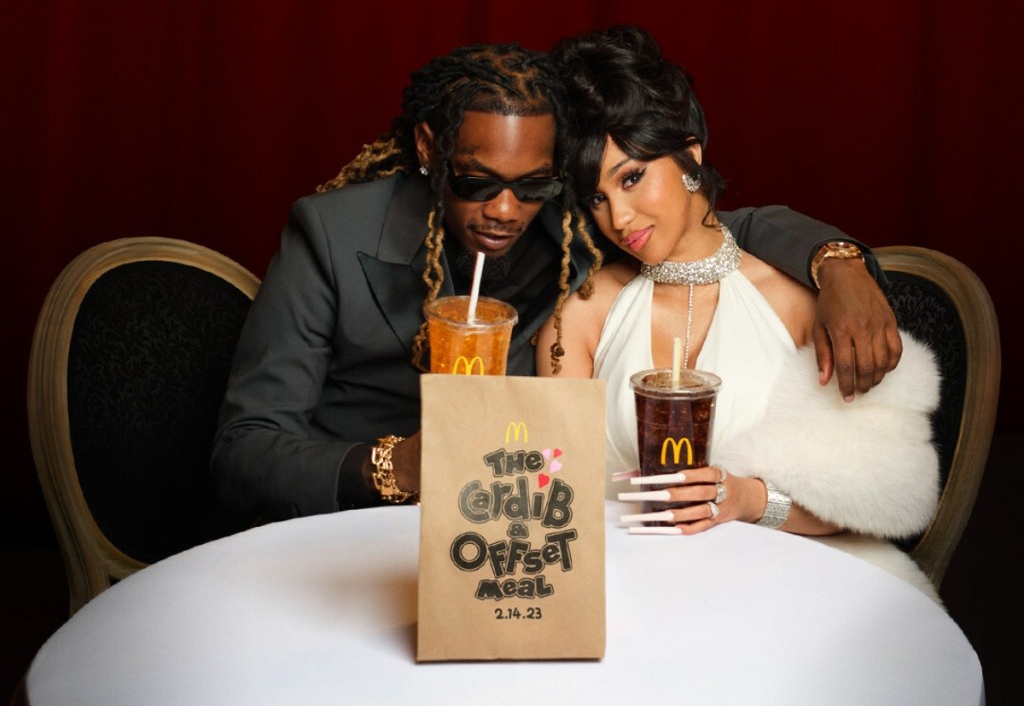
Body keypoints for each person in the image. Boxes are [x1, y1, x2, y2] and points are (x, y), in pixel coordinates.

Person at [211, 40, 901, 524]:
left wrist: (835, 260)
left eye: (533, 184)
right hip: (349, 530)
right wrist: (396, 468)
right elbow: (244, 449)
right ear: (429, 150)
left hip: (504, 541)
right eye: (476, 182)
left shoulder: (571, 217)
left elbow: (704, 221)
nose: (506, 210)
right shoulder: (332, 233)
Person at [537, 25, 940, 602]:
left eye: (631, 177)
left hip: (780, 588)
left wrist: (750, 500)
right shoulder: (579, 315)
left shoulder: (797, 302)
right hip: (624, 591)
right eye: (596, 197)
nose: (619, 218)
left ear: (690, 155)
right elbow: (558, 494)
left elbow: (882, 494)